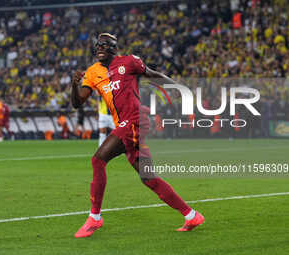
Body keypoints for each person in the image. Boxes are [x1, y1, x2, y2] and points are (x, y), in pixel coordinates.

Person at [71, 33, 204, 238]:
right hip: (124, 125)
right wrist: (74, 85)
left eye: (105, 45)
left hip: (134, 121)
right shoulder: (92, 72)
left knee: (98, 160)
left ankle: (95, 218)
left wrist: (178, 88)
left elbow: (153, 75)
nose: (100, 48)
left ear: (114, 48)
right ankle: (191, 215)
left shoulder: (130, 62)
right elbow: (77, 103)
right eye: (97, 45)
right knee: (149, 178)